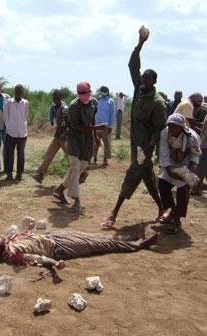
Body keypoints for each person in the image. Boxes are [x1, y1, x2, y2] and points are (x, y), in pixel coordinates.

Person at [100, 29, 167, 229]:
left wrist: (149, 148)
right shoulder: (139, 91)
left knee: (132, 174)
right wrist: (140, 44)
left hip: (144, 148)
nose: (144, 82)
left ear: (154, 82)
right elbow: (132, 65)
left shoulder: (158, 103)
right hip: (135, 144)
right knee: (147, 177)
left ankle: (114, 213)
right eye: (143, 79)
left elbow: (160, 129)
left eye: (148, 80)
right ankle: (162, 208)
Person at [0, 229, 158, 269]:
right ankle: (137, 245)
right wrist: (55, 264)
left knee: (93, 237)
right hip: (59, 248)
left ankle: (129, 237)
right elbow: (38, 259)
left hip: (53, 235)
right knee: (99, 245)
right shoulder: (13, 255)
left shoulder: (7, 242)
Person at [53, 81, 104, 213]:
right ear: (77, 94)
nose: (83, 95)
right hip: (74, 138)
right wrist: (96, 128)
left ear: (89, 91)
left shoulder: (94, 103)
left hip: (87, 139)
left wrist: (95, 136)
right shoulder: (73, 106)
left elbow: (92, 119)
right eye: (80, 93)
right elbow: (75, 127)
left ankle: (59, 190)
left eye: (85, 92)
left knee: (82, 166)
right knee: (75, 166)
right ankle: (76, 200)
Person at [157, 114, 200, 233]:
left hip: (185, 164)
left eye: (174, 127)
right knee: (162, 185)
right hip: (170, 162)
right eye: (170, 127)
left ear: (181, 127)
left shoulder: (192, 137)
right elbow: (164, 150)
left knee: (182, 191)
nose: (171, 130)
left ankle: (177, 220)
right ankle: (173, 211)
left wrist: (192, 165)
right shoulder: (164, 133)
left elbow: (195, 154)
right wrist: (168, 168)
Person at [32, 89, 68, 183]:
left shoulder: (65, 108)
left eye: (57, 98)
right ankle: (40, 174)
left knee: (70, 157)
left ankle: (82, 174)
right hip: (58, 135)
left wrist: (66, 133)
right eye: (54, 98)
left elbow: (69, 123)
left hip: (64, 137)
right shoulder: (55, 107)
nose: (55, 99)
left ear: (61, 98)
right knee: (48, 155)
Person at [3, 84, 29, 182]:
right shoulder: (9, 102)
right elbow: (5, 117)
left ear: (22, 92)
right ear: (14, 92)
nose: (19, 93)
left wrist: (22, 126)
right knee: (9, 154)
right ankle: (9, 174)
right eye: (17, 91)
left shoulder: (26, 103)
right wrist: (9, 126)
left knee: (21, 154)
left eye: (20, 91)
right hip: (10, 133)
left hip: (22, 133)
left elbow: (26, 117)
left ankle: (19, 174)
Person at [93, 86, 115, 166]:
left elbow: (112, 114)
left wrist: (110, 126)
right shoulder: (97, 100)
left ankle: (105, 159)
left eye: (104, 91)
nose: (103, 92)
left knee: (106, 143)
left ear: (108, 91)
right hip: (97, 125)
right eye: (102, 90)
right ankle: (94, 158)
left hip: (106, 126)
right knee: (96, 142)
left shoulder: (111, 101)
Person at [191, 114, 207, 195]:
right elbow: (204, 129)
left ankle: (198, 185)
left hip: (204, 142)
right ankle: (195, 187)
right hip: (205, 145)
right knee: (201, 167)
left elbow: (203, 128)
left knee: (203, 166)